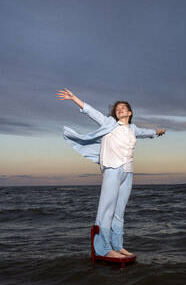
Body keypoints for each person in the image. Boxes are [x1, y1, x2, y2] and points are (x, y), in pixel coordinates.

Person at [56, 88, 166, 259]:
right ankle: (103, 248)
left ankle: (118, 245)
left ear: (129, 112)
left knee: (119, 211)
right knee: (106, 210)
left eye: (123, 107)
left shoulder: (133, 128)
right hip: (112, 170)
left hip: (128, 173)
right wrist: (73, 98)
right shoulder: (109, 123)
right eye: (117, 108)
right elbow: (91, 112)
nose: (119, 109)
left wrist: (158, 132)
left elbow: (146, 132)